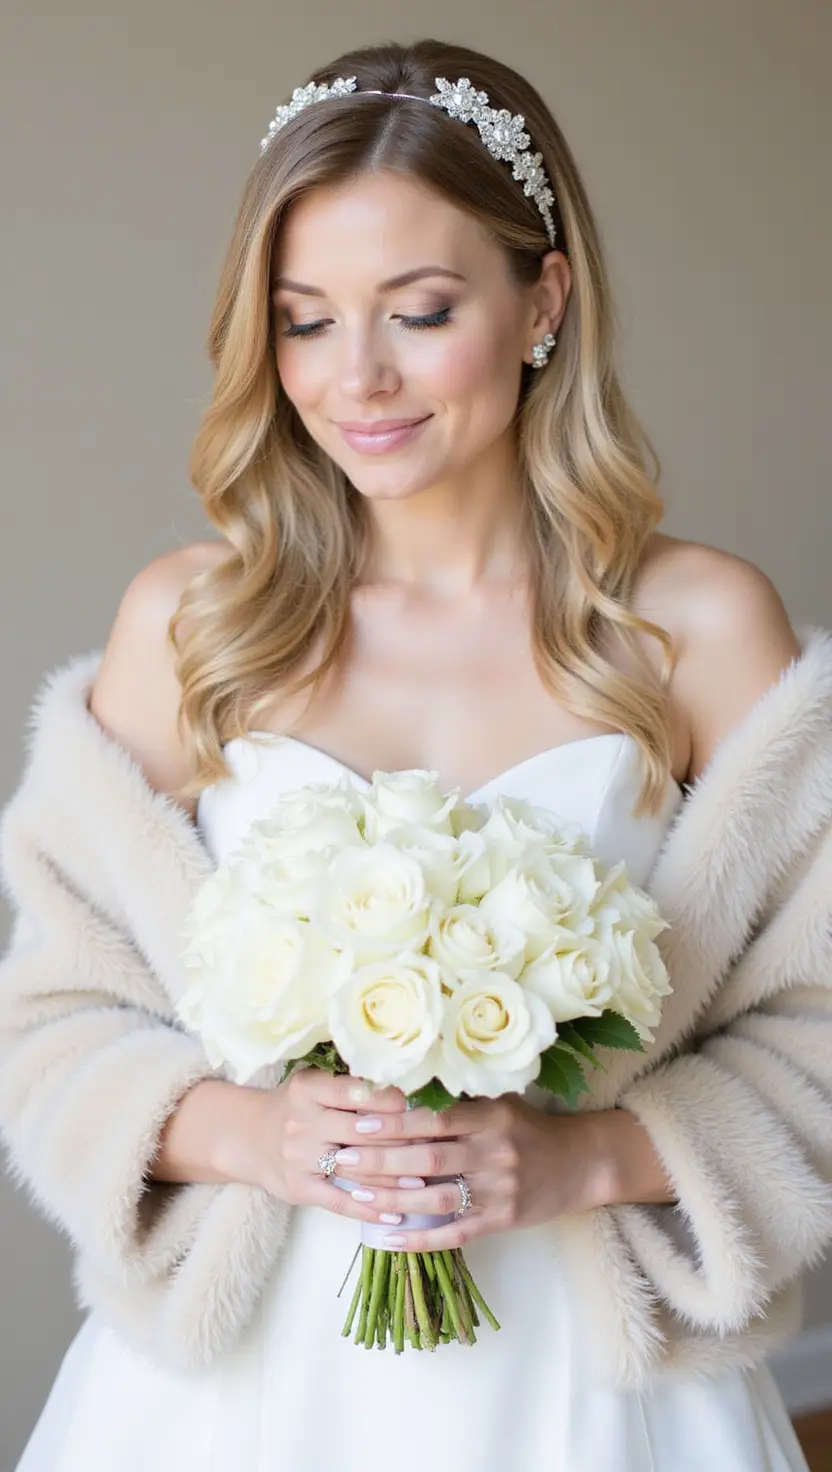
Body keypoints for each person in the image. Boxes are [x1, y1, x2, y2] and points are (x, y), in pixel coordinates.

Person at [3, 35, 826, 1472]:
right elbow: (46, 1027)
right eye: (304, 319)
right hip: (236, 1400)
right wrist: (248, 1137)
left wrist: (589, 1158)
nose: (357, 377)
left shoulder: (697, 628)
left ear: (542, 299)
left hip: (595, 1395)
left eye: (422, 309)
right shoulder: (195, 626)